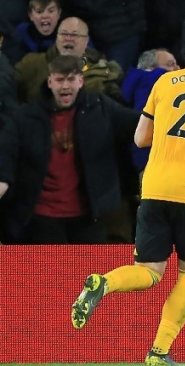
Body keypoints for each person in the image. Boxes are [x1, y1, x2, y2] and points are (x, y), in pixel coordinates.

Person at [70, 22, 185, 366]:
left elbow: (141, 138)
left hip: (155, 187)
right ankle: (159, 352)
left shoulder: (165, 81)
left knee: (150, 270)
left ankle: (104, 282)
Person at [0, 55, 139, 244]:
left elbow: (137, 124)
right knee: (52, 274)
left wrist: (166, 114)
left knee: (88, 273)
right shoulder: (26, 117)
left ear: (80, 81)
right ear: (49, 82)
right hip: (42, 217)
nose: (65, 86)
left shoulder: (100, 107)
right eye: (59, 80)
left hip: (88, 216)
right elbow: (6, 155)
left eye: (71, 79)